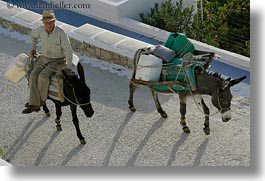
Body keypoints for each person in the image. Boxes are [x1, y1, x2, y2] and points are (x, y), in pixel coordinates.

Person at [22, 10, 74, 114]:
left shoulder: (61, 33)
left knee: (43, 76)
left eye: (51, 22)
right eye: (46, 22)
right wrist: (33, 49)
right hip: (44, 58)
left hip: (57, 61)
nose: (48, 24)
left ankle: (41, 101)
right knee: (33, 75)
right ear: (43, 23)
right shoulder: (40, 30)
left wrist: (68, 66)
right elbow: (33, 36)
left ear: (54, 22)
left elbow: (68, 50)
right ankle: (34, 104)